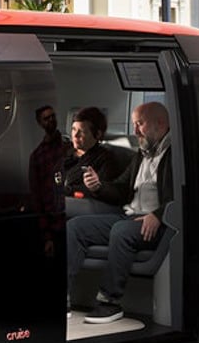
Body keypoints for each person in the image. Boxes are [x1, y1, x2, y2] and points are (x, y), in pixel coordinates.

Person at [65, 101, 173, 324]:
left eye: (140, 124)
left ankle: (109, 302)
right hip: (128, 216)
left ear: (160, 123)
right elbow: (121, 188)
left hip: (156, 223)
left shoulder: (176, 155)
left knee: (121, 230)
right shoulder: (141, 154)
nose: (135, 131)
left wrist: (159, 214)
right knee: (75, 226)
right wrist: (99, 186)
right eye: (134, 124)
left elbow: (183, 195)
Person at [27, 105, 70, 258]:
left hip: (70, 214)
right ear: (40, 123)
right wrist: (47, 236)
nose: (51, 120)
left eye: (53, 116)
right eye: (46, 118)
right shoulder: (38, 156)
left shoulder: (67, 146)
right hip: (53, 222)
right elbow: (36, 196)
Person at [62, 106, 125, 199]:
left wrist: (67, 190)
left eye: (82, 131)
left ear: (98, 134)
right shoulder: (65, 151)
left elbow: (101, 192)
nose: (75, 135)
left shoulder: (105, 159)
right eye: (73, 129)